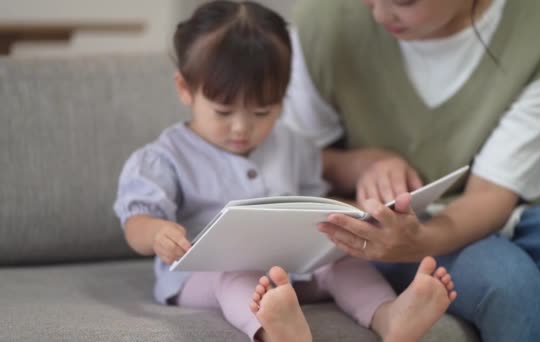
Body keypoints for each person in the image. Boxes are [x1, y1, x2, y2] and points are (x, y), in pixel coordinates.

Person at [113, 1, 456, 341]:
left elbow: (314, 200)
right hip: (204, 277)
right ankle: (274, 331)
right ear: (185, 89)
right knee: (234, 275)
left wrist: (355, 213)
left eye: (262, 112)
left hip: (292, 270)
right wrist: (157, 233)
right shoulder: (165, 157)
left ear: (283, 98)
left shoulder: (290, 144)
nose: (241, 128)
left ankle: (389, 317)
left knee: (345, 262)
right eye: (223, 112)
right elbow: (136, 223)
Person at [283, 0, 540, 341]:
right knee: (509, 283)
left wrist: (419, 242)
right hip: (387, 220)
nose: (378, 14)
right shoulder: (324, 19)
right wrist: (366, 163)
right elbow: (295, 158)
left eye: (403, 1)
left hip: (517, 204)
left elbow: (491, 193)